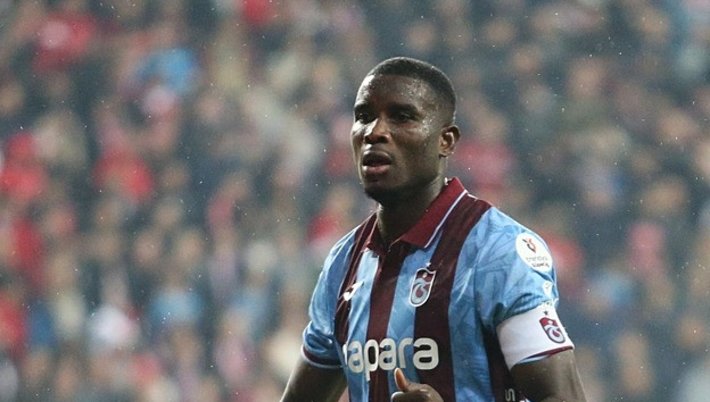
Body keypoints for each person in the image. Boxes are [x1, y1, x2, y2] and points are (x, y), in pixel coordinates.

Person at [280, 57, 587, 402]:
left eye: (402, 116)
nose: (374, 131)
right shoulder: (343, 262)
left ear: (446, 141)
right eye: (364, 116)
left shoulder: (496, 250)